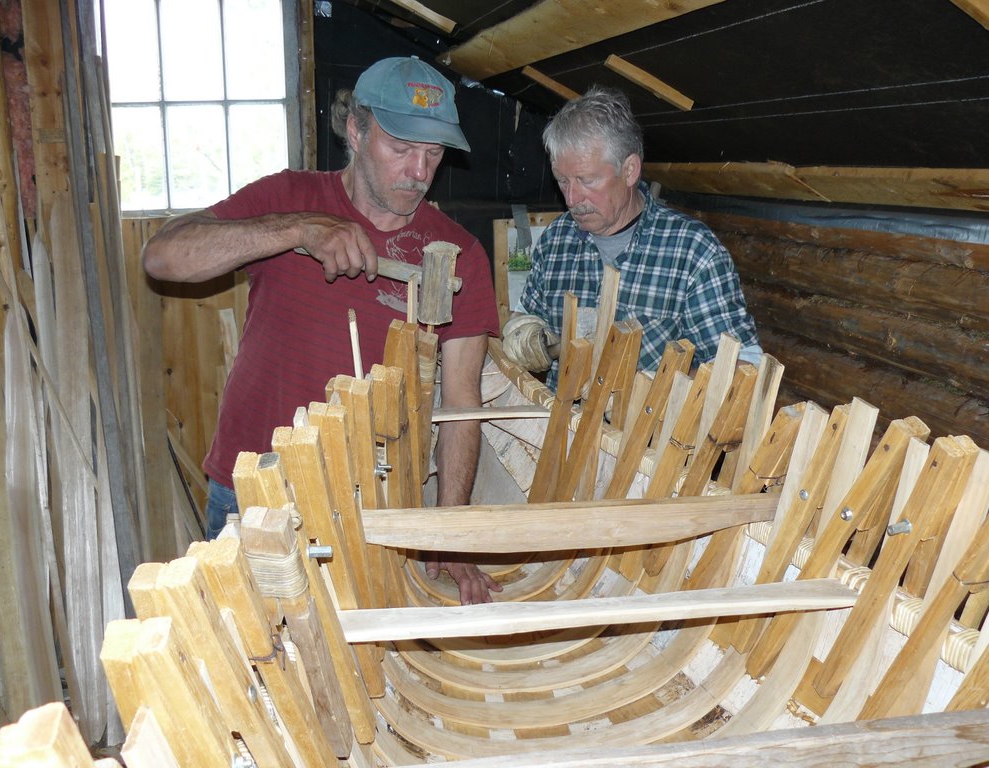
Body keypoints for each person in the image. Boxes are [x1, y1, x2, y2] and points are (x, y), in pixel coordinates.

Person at [143, 56, 503, 604]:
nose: (418, 171)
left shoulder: (460, 256)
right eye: (401, 148)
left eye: (433, 154)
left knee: (361, 672)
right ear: (355, 130)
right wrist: (297, 230)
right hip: (256, 491)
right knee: (252, 665)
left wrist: (448, 532)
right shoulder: (287, 199)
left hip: (373, 505)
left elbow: (460, 403)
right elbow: (164, 258)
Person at [503, 85, 761, 388]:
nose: (572, 198)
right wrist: (525, 330)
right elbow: (527, 313)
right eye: (562, 181)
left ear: (629, 171)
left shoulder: (692, 251)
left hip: (645, 433)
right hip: (560, 425)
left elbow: (746, 366)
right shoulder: (557, 238)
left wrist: (655, 390)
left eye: (587, 180)